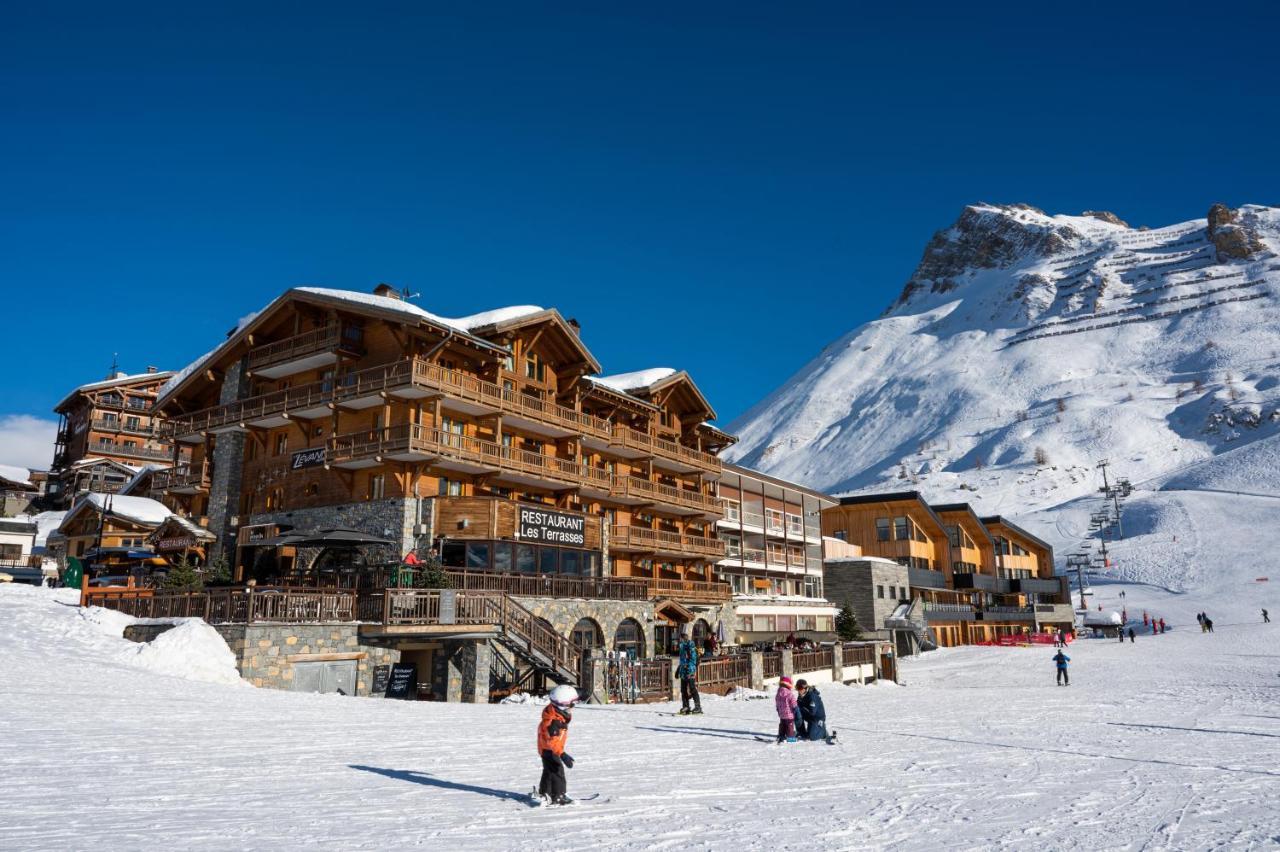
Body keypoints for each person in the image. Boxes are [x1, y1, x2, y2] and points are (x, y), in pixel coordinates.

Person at [537, 684, 580, 806]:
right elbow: (553, 741)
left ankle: (545, 793)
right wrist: (562, 754)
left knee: (549, 770)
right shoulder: (554, 721)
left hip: (546, 748)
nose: (573, 707)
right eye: (571, 704)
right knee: (557, 771)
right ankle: (558, 796)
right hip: (551, 749)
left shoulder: (555, 714)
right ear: (563, 704)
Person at [676, 631, 703, 715]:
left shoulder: (690, 647)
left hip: (690, 671)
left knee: (692, 688)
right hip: (683, 671)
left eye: (680, 639)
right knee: (683, 689)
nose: (679, 641)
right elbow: (682, 661)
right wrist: (678, 669)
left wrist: (688, 667)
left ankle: (698, 707)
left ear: (684, 638)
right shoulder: (682, 647)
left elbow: (693, 660)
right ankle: (686, 706)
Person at [775, 676, 799, 742]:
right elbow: (794, 705)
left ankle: (781, 736)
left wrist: (778, 710)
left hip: (781, 715)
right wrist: (797, 712)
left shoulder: (778, 693)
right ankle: (791, 738)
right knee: (789, 728)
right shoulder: (790, 694)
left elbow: (777, 704)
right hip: (789, 716)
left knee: (782, 726)